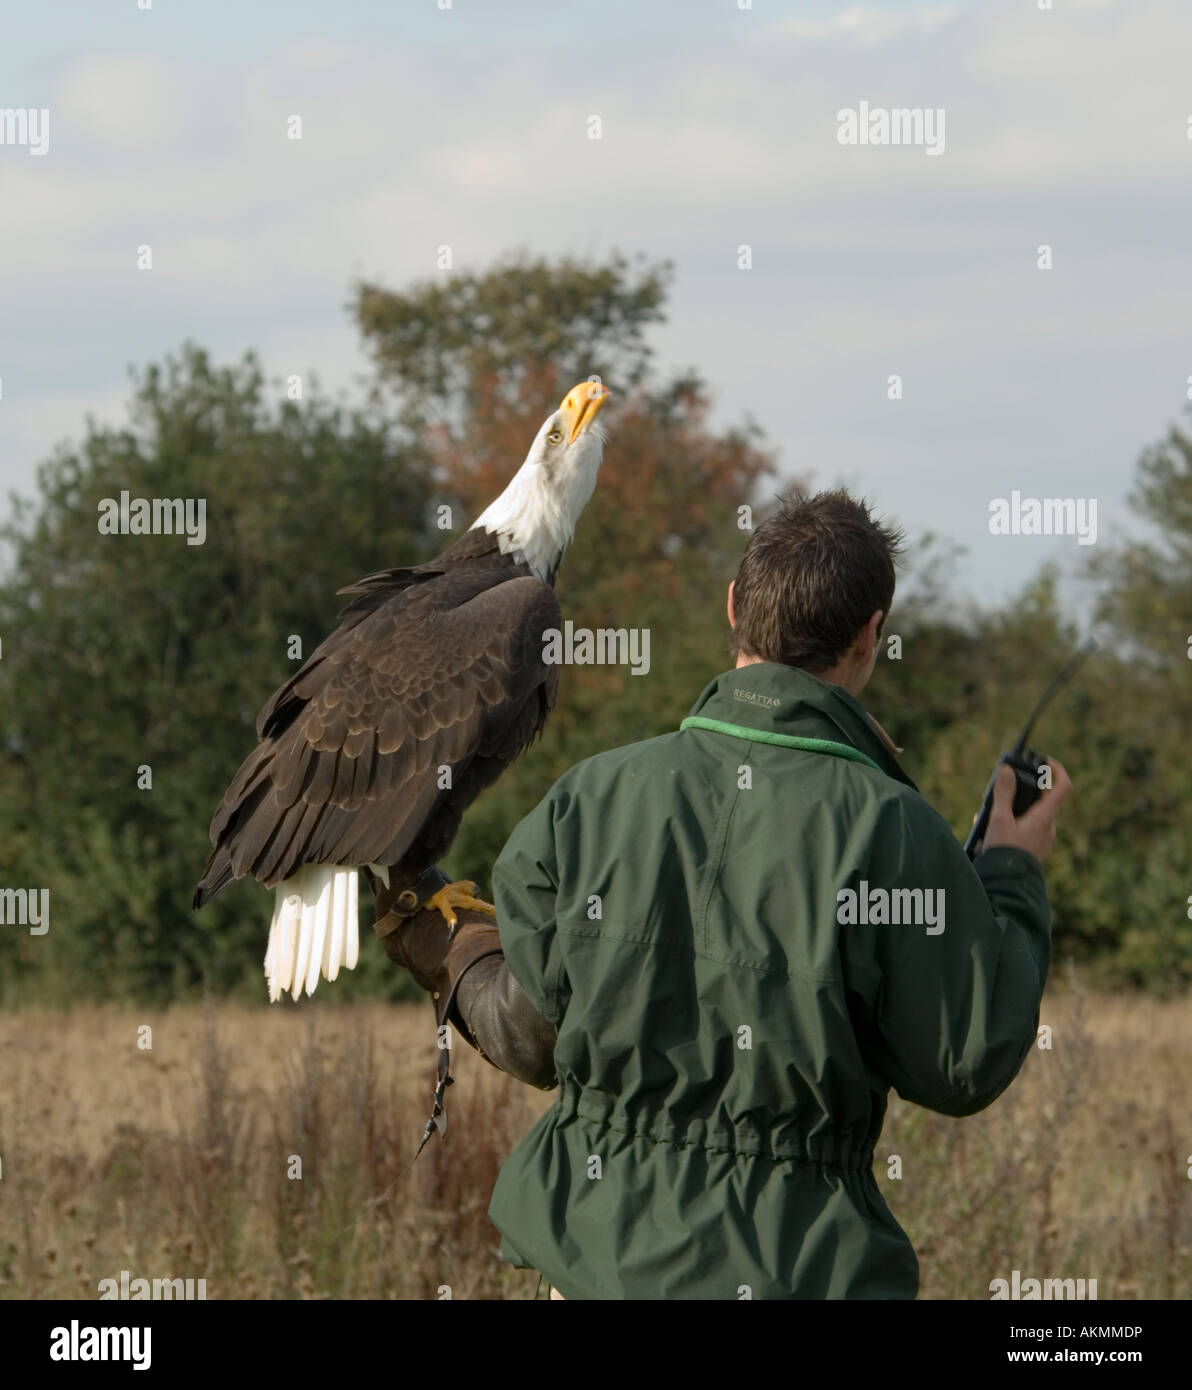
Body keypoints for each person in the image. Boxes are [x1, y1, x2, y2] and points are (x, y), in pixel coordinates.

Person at [378, 487, 1071, 1300]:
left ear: (735, 605)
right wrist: (1011, 875)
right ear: (871, 637)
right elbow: (964, 1064)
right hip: (799, 1272)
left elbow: (534, 1035)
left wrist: (453, 956)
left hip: (593, 1268)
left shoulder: (589, 801)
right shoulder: (896, 830)